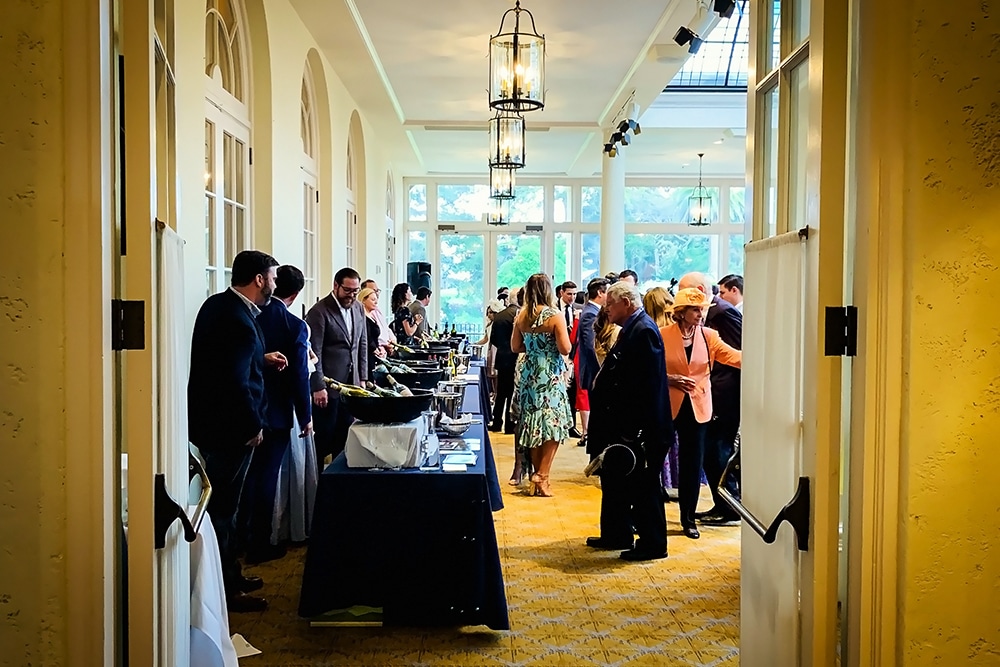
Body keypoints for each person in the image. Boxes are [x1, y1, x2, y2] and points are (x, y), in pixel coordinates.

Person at [188, 249, 285, 613]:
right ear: (259, 279)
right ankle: (227, 590)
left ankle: (230, 574)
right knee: (225, 512)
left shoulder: (218, 306)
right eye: (272, 277)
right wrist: (252, 426)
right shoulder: (240, 320)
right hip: (230, 429)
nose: (275, 283)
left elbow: (222, 362)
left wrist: (261, 358)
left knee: (224, 509)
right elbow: (233, 381)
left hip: (210, 425)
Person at [586, 281, 672, 561]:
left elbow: (646, 386)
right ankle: (616, 533)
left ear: (626, 302)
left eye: (610, 304)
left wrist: (633, 430)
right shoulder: (631, 328)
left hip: (639, 429)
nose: (606, 309)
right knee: (615, 481)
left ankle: (653, 544)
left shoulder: (644, 330)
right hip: (621, 426)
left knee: (644, 487)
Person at [243, 265, 313, 566]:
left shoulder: (252, 315)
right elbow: (299, 375)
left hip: (247, 407)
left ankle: (240, 541)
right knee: (267, 479)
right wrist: (305, 414)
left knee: (247, 479)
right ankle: (260, 543)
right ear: (296, 294)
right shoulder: (293, 325)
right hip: (277, 411)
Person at [660, 288, 742, 539]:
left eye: (702, 309)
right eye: (695, 309)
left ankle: (688, 519)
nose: (700, 313)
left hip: (698, 408)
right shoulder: (663, 335)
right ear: (681, 312)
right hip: (668, 405)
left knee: (692, 465)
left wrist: (766, 359)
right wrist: (670, 379)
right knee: (652, 461)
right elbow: (649, 369)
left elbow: (733, 357)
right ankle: (642, 517)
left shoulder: (709, 336)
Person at [679, 272, 743, 525]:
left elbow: (735, 356)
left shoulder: (723, 313)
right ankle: (723, 503)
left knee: (717, 451)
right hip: (708, 396)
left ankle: (729, 506)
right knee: (709, 452)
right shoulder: (714, 314)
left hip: (722, 397)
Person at [511, 274, 572, 497]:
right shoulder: (555, 315)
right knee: (554, 423)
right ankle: (542, 474)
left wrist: (534, 348)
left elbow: (515, 346)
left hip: (529, 373)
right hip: (549, 374)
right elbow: (565, 349)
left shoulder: (522, 314)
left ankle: (539, 480)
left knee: (534, 424)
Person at [306, 267, 368, 469]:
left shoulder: (359, 308)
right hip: (328, 386)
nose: (352, 295)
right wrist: (318, 386)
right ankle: (319, 485)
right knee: (324, 439)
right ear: (335, 286)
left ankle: (340, 483)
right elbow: (314, 352)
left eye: (356, 291)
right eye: (348, 290)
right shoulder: (319, 311)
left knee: (346, 438)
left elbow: (362, 344)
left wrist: (363, 377)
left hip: (352, 385)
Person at [571, 277, 609, 447]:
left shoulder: (592, 312)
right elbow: (591, 346)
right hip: (595, 373)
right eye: (608, 291)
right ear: (600, 293)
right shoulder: (590, 314)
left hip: (595, 373)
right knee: (598, 416)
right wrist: (602, 372)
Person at [489, 288, 520, 434]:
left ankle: (496, 423)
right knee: (513, 392)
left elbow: (493, 339)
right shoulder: (520, 316)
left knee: (501, 393)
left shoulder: (499, 316)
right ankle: (510, 424)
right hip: (516, 358)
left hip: (502, 357)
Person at [558, 281, 581, 438]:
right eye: (569, 294)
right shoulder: (553, 308)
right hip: (557, 354)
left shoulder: (578, 310)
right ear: (561, 293)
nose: (572, 297)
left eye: (574, 294)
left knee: (571, 391)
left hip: (572, 356)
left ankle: (571, 424)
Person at [359, 287, 386, 377]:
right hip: (366, 355)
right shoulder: (362, 317)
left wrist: (379, 349)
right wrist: (374, 349)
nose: (376, 302)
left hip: (374, 354)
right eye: (373, 299)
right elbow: (366, 336)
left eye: (376, 299)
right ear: (363, 300)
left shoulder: (372, 316)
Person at [361, 279, 396, 348]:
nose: (376, 293)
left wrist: (393, 341)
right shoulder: (362, 314)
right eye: (373, 291)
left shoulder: (377, 309)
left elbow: (385, 328)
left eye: (377, 291)